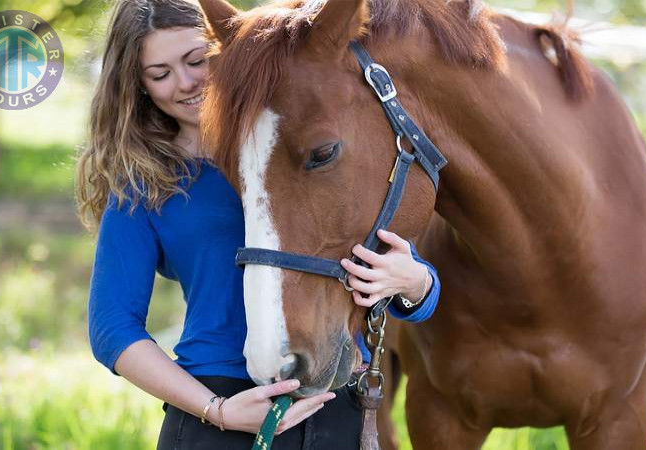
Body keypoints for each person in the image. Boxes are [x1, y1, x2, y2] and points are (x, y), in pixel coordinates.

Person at [75, 1, 441, 449]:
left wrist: (415, 281)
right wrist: (218, 411)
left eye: (196, 61)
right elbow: (112, 328)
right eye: (160, 73)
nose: (186, 82)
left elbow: (413, 289)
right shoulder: (145, 183)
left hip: (338, 402)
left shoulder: (300, 154)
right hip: (218, 411)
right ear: (140, 85)